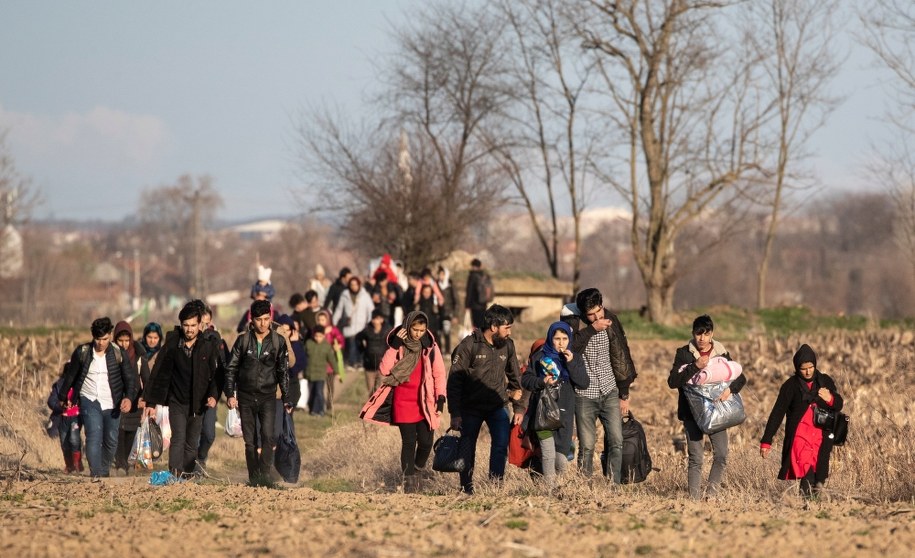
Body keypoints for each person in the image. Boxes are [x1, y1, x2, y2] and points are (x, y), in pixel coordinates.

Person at [361, 311, 446, 492]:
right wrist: (394, 347)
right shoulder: (398, 346)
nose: (418, 334)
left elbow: (439, 373)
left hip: (424, 401)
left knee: (426, 442)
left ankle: (416, 470)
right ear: (408, 327)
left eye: (422, 330)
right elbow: (384, 371)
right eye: (415, 329)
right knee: (408, 442)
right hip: (402, 401)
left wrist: (441, 398)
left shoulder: (430, 346)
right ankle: (409, 482)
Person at [561, 288, 637, 483]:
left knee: (616, 441)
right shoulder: (574, 325)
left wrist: (624, 393)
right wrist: (591, 329)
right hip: (584, 393)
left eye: (598, 311)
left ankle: (614, 484)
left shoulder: (612, 320)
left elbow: (622, 355)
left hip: (609, 389)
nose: (596, 317)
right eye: (590, 314)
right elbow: (569, 348)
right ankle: (584, 485)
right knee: (587, 445)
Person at [668, 314, 746, 499]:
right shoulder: (684, 353)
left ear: (712, 334)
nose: (702, 338)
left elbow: (741, 377)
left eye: (706, 334)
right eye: (698, 334)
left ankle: (711, 495)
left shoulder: (721, 353)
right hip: (691, 413)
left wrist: (730, 390)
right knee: (696, 458)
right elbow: (673, 382)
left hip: (718, 411)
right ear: (693, 333)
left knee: (721, 455)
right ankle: (694, 500)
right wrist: (695, 366)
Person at [447, 304, 523, 495]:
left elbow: (516, 379)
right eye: (507, 327)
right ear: (494, 326)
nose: (509, 332)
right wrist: (455, 413)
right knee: (467, 447)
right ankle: (466, 488)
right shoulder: (468, 346)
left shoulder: (508, 345)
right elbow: (454, 381)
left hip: (498, 406)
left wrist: (519, 408)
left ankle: (495, 487)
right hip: (470, 408)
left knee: (500, 446)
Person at [144, 301, 221, 477]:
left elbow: (216, 375)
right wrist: (151, 401)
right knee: (178, 437)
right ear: (181, 325)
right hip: (176, 400)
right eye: (186, 325)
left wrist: (213, 395)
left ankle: (186, 473)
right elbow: (159, 373)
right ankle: (175, 474)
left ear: (200, 324)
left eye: (193, 325)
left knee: (191, 442)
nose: (189, 329)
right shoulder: (172, 346)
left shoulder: (208, 347)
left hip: (198, 403)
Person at [760, 344, 844, 497]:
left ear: (815, 365)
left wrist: (830, 398)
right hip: (800, 437)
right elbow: (777, 413)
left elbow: (839, 405)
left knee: (820, 475)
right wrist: (766, 441)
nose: (807, 371)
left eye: (810, 367)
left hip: (821, 436)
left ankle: (816, 505)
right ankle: (806, 504)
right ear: (797, 368)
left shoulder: (825, 381)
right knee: (806, 472)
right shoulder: (790, 386)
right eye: (803, 368)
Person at [57, 317, 135, 479]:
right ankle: (96, 472)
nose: (101, 343)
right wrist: (64, 396)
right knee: (93, 435)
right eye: (98, 339)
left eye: (105, 339)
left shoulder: (118, 352)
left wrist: (128, 397)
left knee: (111, 439)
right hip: (89, 399)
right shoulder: (83, 352)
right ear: (93, 337)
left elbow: (129, 378)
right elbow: (71, 376)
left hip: (113, 402)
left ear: (110, 335)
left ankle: (104, 470)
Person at [225, 300, 293, 484]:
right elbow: (231, 368)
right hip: (246, 397)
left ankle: (264, 477)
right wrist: (230, 394)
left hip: (268, 396)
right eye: (259, 320)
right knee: (250, 442)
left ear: (270, 318)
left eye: (266, 319)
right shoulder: (243, 340)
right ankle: (253, 477)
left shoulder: (278, 342)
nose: (263, 324)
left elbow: (282, 372)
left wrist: (287, 397)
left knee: (269, 437)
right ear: (252, 320)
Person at [521, 321, 589, 487]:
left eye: (565, 338)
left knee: (560, 459)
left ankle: (560, 486)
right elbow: (526, 380)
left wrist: (571, 363)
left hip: (565, 414)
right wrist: (542, 381)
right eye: (557, 338)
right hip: (543, 411)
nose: (561, 343)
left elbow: (583, 383)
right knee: (548, 453)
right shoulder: (539, 357)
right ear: (550, 338)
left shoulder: (575, 358)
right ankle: (550, 490)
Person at [113, 321, 151, 475]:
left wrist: (144, 397)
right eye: (120, 341)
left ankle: (127, 461)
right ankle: (120, 464)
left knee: (130, 431)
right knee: (118, 431)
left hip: (135, 398)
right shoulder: (111, 354)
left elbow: (147, 378)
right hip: (116, 397)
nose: (123, 344)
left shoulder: (139, 355)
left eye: (126, 340)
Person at [196, 305, 230, 473]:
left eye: (207, 324)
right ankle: (192, 466)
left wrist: (220, 394)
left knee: (209, 434)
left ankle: (201, 458)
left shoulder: (217, 341)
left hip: (211, 394)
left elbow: (224, 369)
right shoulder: (188, 341)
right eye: (200, 323)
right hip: (192, 396)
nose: (203, 327)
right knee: (193, 433)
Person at [333, 275, 374, 369]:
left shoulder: (365, 295)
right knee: (351, 344)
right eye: (352, 284)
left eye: (356, 284)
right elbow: (339, 309)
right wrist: (334, 322)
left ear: (359, 285)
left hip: (361, 325)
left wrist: (369, 323)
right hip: (349, 324)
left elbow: (370, 310)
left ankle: (360, 362)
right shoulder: (345, 295)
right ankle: (352, 363)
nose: (354, 286)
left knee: (360, 344)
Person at [47, 365, 82, 473]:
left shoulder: (81, 385)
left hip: (75, 417)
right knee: (64, 442)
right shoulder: (58, 385)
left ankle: (77, 463)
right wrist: (61, 406)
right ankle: (69, 465)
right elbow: (51, 401)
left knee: (74, 439)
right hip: (62, 418)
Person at [304, 325, 338, 416]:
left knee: (319, 392)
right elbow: (303, 357)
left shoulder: (327, 346)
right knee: (311, 392)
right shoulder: (308, 343)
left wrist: (337, 372)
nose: (318, 338)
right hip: (309, 373)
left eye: (320, 336)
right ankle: (312, 409)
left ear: (323, 336)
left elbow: (332, 360)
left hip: (321, 374)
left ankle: (320, 410)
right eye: (316, 336)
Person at [356, 309, 392, 394]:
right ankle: (371, 407)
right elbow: (358, 338)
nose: (376, 321)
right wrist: (363, 350)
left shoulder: (388, 330)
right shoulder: (367, 330)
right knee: (371, 391)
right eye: (374, 319)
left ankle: (379, 407)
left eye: (378, 319)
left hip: (383, 365)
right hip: (369, 365)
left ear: (382, 319)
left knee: (381, 391)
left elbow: (394, 343)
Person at [316, 309, 345, 410]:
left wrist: (339, 346)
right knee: (319, 384)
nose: (321, 322)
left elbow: (341, 339)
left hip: (330, 360)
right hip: (319, 360)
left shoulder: (333, 330)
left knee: (330, 384)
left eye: (323, 320)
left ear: (327, 320)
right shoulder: (315, 330)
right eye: (319, 320)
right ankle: (319, 402)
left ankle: (329, 403)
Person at [435, 265, 458, 355]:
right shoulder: (436, 285)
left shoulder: (450, 286)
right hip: (438, 312)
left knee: (446, 331)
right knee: (439, 332)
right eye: (440, 274)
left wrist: (455, 314)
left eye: (443, 274)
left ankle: (448, 351)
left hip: (448, 313)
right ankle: (439, 351)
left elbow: (456, 301)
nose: (441, 277)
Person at [464, 258, 491, 330]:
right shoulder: (483, 276)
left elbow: (469, 291)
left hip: (474, 305)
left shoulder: (472, 276)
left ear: (473, 266)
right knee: (482, 324)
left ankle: (477, 339)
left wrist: (467, 305)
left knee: (475, 325)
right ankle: (482, 339)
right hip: (483, 304)